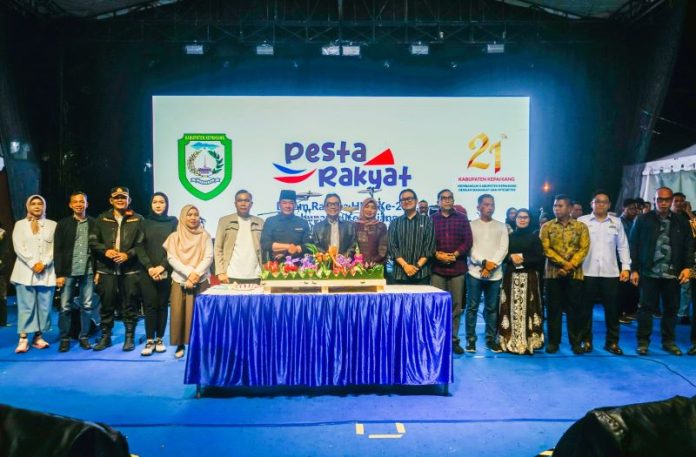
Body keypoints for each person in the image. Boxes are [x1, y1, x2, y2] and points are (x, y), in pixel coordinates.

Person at [630, 187, 694, 356]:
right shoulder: (643, 219)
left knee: (671, 309)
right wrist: (634, 269)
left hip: (673, 273)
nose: (663, 203)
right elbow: (633, 245)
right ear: (654, 200)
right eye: (660, 199)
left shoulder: (681, 221)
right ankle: (643, 342)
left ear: (671, 201)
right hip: (648, 272)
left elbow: (689, 246)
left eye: (667, 200)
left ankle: (669, 342)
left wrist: (688, 268)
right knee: (645, 309)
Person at [89, 186, 145, 352]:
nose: (120, 200)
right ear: (111, 200)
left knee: (130, 304)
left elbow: (142, 243)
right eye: (117, 197)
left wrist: (128, 255)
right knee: (106, 304)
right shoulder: (101, 219)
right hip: (107, 269)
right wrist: (105, 251)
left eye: (123, 197)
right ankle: (105, 337)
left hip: (130, 269)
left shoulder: (138, 219)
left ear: (129, 200)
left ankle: (129, 338)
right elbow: (92, 241)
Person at [577, 191, 631, 356]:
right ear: (591, 204)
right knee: (585, 310)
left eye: (604, 202)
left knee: (612, 310)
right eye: (597, 201)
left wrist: (626, 267)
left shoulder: (616, 222)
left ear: (609, 205)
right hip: (587, 271)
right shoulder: (582, 221)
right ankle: (586, 340)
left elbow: (623, 246)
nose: (601, 204)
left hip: (610, 273)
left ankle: (612, 342)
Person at [540, 194, 590, 354]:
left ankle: (576, 342)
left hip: (574, 274)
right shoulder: (546, 226)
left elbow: (584, 249)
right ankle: (553, 342)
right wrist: (563, 264)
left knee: (574, 310)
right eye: (555, 205)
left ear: (569, 208)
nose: (556, 208)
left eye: (560, 206)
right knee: (553, 310)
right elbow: (546, 249)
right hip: (553, 274)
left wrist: (569, 266)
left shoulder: (581, 227)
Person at [164, 204, 213, 359]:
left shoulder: (205, 235)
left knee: (201, 314)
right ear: (183, 217)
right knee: (179, 313)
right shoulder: (174, 237)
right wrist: (189, 273)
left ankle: (200, 345)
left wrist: (196, 274)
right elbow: (172, 258)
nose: (193, 218)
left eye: (196, 214)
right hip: (180, 279)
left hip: (201, 279)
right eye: (189, 214)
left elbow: (209, 257)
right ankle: (180, 344)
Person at [10, 195, 57, 353]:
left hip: (46, 272)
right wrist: (32, 263)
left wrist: (44, 263)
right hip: (24, 272)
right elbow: (18, 247)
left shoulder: (52, 225)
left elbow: (55, 248)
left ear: (44, 206)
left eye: (40, 204)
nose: (37, 206)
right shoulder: (20, 224)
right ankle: (23, 338)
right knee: (26, 306)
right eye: (33, 204)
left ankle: (38, 336)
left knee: (44, 306)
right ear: (28, 206)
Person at [464, 193, 508, 353]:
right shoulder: (470, 225)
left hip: (495, 274)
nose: (490, 207)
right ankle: (470, 340)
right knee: (472, 308)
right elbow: (470, 248)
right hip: (474, 273)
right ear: (478, 207)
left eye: (492, 204)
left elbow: (503, 249)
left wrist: (490, 266)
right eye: (486, 204)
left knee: (491, 308)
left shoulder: (501, 226)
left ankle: (490, 340)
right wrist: (483, 263)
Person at [431, 189, 473, 354]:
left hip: (458, 268)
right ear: (438, 202)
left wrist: (454, 255)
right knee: (437, 306)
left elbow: (468, 241)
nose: (447, 200)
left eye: (450, 198)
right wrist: (438, 254)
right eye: (443, 198)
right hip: (437, 269)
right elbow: (427, 242)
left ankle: (453, 340)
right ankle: (437, 339)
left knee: (456, 307)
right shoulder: (431, 219)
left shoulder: (462, 218)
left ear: (453, 200)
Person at [498, 209, 544, 354]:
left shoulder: (535, 238)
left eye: (525, 217)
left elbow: (540, 258)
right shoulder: (509, 237)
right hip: (511, 277)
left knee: (530, 307)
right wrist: (510, 258)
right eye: (520, 217)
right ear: (515, 219)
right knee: (509, 307)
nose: (522, 220)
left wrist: (523, 260)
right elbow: (502, 256)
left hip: (529, 277)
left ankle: (531, 340)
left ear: (529, 219)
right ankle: (509, 339)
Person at [54, 191, 96, 352]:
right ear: (70, 205)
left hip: (88, 270)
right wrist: (59, 274)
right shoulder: (63, 224)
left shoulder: (94, 223)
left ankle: (84, 337)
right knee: (65, 306)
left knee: (87, 306)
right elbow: (57, 250)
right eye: (75, 202)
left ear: (87, 204)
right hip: (68, 271)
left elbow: (97, 249)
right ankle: (64, 338)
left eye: (82, 201)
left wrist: (98, 271)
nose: (79, 204)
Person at [137, 192, 178, 356]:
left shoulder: (173, 222)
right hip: (147, 270)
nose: (158, 205)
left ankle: (160, 339)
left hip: (165, 269)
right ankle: (149, 340)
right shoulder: (144, 222)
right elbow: (139, 246)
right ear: (151, 204)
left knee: (162, 305)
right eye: (155, 202)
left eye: (162, 202)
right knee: (149, 305)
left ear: (166, 204)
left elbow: (174, 247)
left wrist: (162, 266)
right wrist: (149, 267)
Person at [214, 189, 264, 285]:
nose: (243, 203)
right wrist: (220, 272)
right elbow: (218, 248)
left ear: (251, 204)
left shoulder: (260, 222)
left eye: (246, 200)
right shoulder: (225, 221)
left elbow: (265, 249)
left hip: (256, 275)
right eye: (240, 200)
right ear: (235, 204)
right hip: (231, 275)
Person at [388, 189, 435, 285]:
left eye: (410, 198)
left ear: (416, 200)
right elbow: (392, 247)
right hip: (399, 274)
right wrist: (405, 265)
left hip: (421, 274)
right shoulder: (394, 223)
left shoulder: (427, 221)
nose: (407, 201)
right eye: (403, 200)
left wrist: (416, 267)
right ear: (400, 203)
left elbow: (429, 247)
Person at [260, 190, 311, 261]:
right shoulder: (270, 221)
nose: (288, 206)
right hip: (275, 265)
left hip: (298, 265)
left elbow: (308, 246)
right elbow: (265, 244)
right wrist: (288, 247)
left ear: (295, 205)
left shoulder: (302, 222)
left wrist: (285, 252)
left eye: (291, 203)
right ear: (279, 204)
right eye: (284, 203)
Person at [671, 193, 693, 325]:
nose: (679, 204)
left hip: (688, 258)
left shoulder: (689, 217)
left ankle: (682, 313)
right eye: (676, 201)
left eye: (682, 201)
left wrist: (689, 213)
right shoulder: (667, 217)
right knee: (672, 287)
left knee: (686, 286)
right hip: (670, 258)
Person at [618, 198, 640, 324]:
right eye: (631, 208)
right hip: (621, 260)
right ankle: (619, 313)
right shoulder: (619, 222)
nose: (634, 211)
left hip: (633, 259)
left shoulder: (634, 222)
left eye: (636, 209)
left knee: (632, 288)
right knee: (621, 288)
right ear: (623, 209)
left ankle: (629, 311)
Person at [354, 197, 388, 265]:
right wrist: (359, 262)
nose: (369, 210)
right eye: (367, 207)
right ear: (362, 208)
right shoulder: (355, 225)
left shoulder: (381, 226)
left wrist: (374, 261)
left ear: (376, 210)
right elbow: (352, 246)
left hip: (377, 264)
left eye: (373, 208)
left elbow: (383, 248)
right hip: (357, 265)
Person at [0, 221, 9, 327]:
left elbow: (4, 251)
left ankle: (2, 320)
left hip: (0, 269)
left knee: (1, 295)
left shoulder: (2, 233)